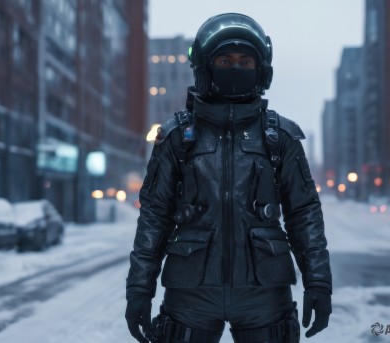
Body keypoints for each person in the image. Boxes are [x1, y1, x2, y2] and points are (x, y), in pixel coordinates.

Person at [126, 13, 332, 343]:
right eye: (224, 59)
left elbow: (304, 213)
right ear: (206, 67)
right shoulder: (178, 137)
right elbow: (154, 217)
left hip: (264, 295)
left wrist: (318, 281)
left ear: (261, 69)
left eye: (245, 60)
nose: (235, 68)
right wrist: (139, 289)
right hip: (190, 294)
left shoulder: (280, 137)